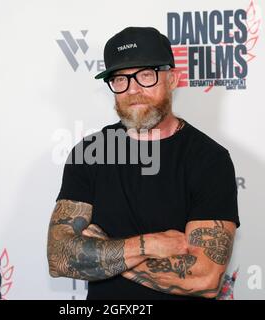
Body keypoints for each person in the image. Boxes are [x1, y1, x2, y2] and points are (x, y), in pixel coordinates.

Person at [47, 26, 240, 300]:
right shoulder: (89, 153)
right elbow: (59, 257)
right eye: (120, 79)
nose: (133, 90)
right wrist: (149, 245)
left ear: (173, 79)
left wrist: (103, 251)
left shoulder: (209, 159)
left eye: (146, 75)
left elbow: (205, 278)